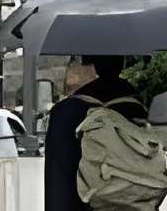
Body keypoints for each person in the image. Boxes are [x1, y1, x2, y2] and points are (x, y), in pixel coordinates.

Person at [46, 57, 146, 211]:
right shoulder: (136, 109)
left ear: (94, 64)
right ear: (123, 64)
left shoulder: (64, 112)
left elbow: (57, 180)